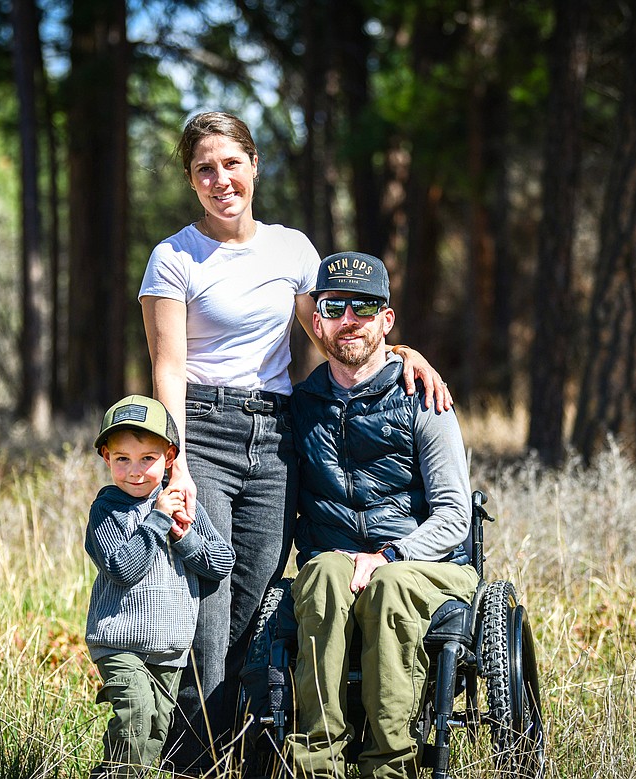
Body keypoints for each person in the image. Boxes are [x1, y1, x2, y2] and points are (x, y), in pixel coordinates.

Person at [139, 110, 453, 772]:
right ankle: (191, 762)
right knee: (209, 604)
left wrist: (403, 351)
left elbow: (338, 331)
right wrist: (179, 465)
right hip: (206, 429)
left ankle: (255, 757)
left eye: (231, 163)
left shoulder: (293, 249)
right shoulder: (174, 256)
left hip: (278, 435)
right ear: (192, 181)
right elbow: (167, 366)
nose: (220, 179)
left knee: (256, 608)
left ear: (254, 165)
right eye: (204, 169)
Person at [285, 251, 480, 779]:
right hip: (336, 562)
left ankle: (388, 765)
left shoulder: (424, 399)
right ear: (317, 319)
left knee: (389, 584)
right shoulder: (299, 406)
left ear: (386, 319)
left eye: (364, 307)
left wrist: (389, 554)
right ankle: (315, 766)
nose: (349, 319)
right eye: (335, 306)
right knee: (323, 573)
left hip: (424, 566)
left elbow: (454, 515)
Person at [84, 395, 236, 779]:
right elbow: (122, 568)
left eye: (147, 458)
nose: (135, 471)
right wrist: (156, 521)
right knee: (134, 716)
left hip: (170, 649)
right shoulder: (107, 509)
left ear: (169, 457)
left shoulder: (180, 503)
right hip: (120, 641)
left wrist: (185, 537)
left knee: (152, 737)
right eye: (122, 459)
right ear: (106, 457)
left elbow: (221, 564)